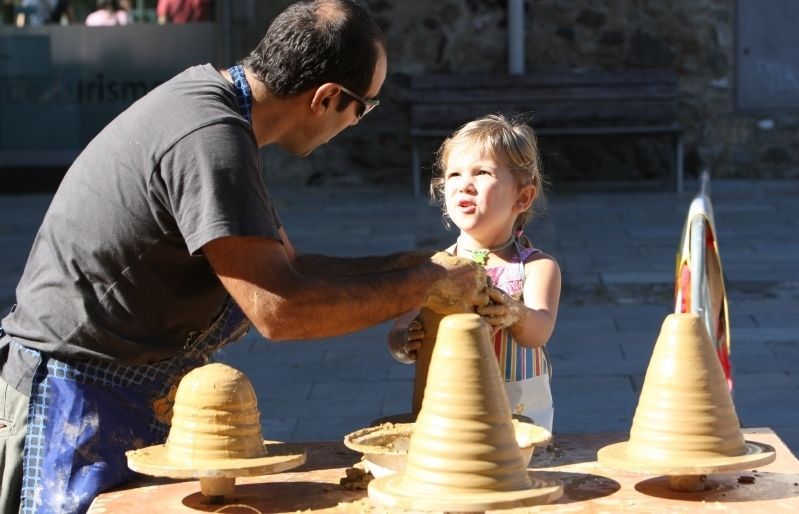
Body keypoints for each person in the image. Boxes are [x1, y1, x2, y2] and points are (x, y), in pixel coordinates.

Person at [0, 1, 488, 513]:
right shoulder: (210, 139)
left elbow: (288, 267)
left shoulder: (216, 109)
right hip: (72, 402)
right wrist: (425, 284)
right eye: (362, 107)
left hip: (118, 387)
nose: (356, 123)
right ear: (324, 98)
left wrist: (413, 265)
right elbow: (280, 308)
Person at [387, 114, 561, 431]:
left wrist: (515, 312)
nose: (465, 183)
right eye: (454, 174)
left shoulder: (536, 266)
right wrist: (403, 342)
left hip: (518, 406)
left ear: (522, 197)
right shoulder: (434, 268)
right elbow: (401, 326)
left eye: (482, 172)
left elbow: (540, 332)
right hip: (450, 400)